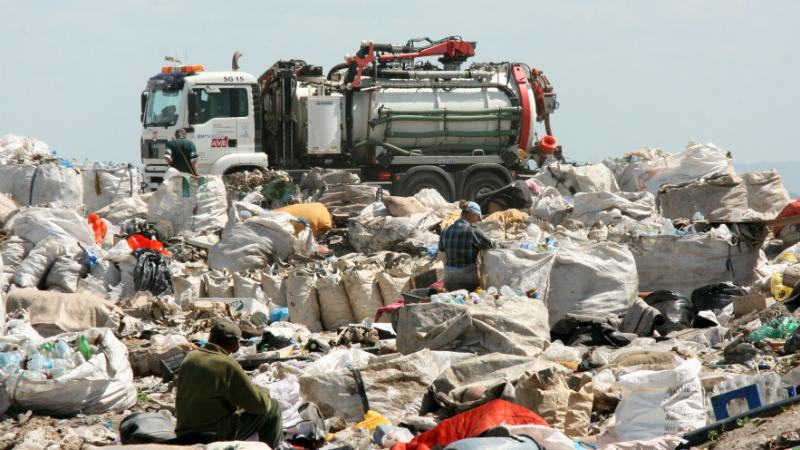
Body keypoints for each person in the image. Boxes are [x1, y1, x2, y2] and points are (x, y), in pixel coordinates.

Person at [175, 319, 283, 447]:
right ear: (236, 347)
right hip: (212, 436)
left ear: (210, 337)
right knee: (273, 407)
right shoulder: (228, 365)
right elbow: (261, 406)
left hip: (184, 433)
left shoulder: (190, 358)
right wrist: (264, 391)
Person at [438, 200, 495, 291]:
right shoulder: (473, 231)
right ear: (470, 215)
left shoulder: (445, 231)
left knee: (451, 298)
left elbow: (441, 249)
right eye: (477, 217)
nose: (478, 220)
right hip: (468, 279)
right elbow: (492, 245)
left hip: (450, 277)